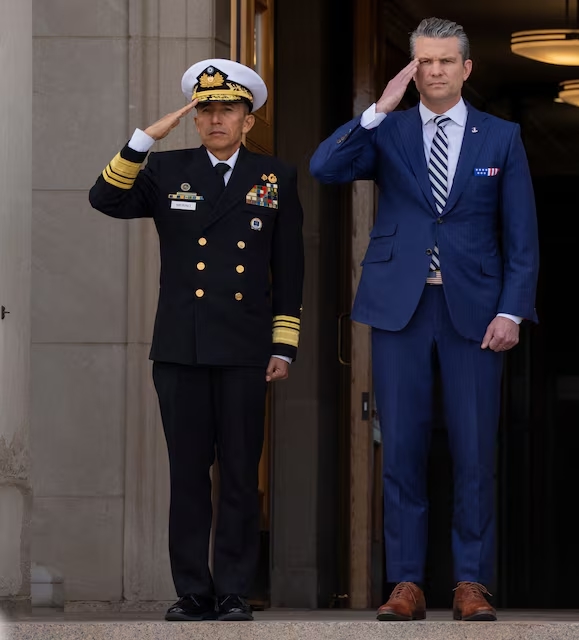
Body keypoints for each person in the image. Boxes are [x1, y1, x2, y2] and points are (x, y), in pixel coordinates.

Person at [310, 17, 539, 622]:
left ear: (466, 68)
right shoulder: (390, 130)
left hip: (476, 312)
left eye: (445, 61)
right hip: (400, 308)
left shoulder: (502, 136)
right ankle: (407, 582)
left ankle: (470, 583)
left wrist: (513, 308)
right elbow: (325, 169)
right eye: (424, 63)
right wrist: (376, 110)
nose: (434, 71)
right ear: (411, 71)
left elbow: (521, 236)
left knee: (474, 451)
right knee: (401, 448)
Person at [88, 59, 305, 622]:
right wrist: (142, 140)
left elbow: (291, 268)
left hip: (245, 348)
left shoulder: (275, 176)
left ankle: (234, 589)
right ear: (194, 119)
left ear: (246, 120)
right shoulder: (165, 170)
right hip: (181, 347)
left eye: (226, 110)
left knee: (238, 471)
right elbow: (104, 199)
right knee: (187, 473)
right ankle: (192, 590)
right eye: (205, 110)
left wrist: (284, 346)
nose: (215, 120)